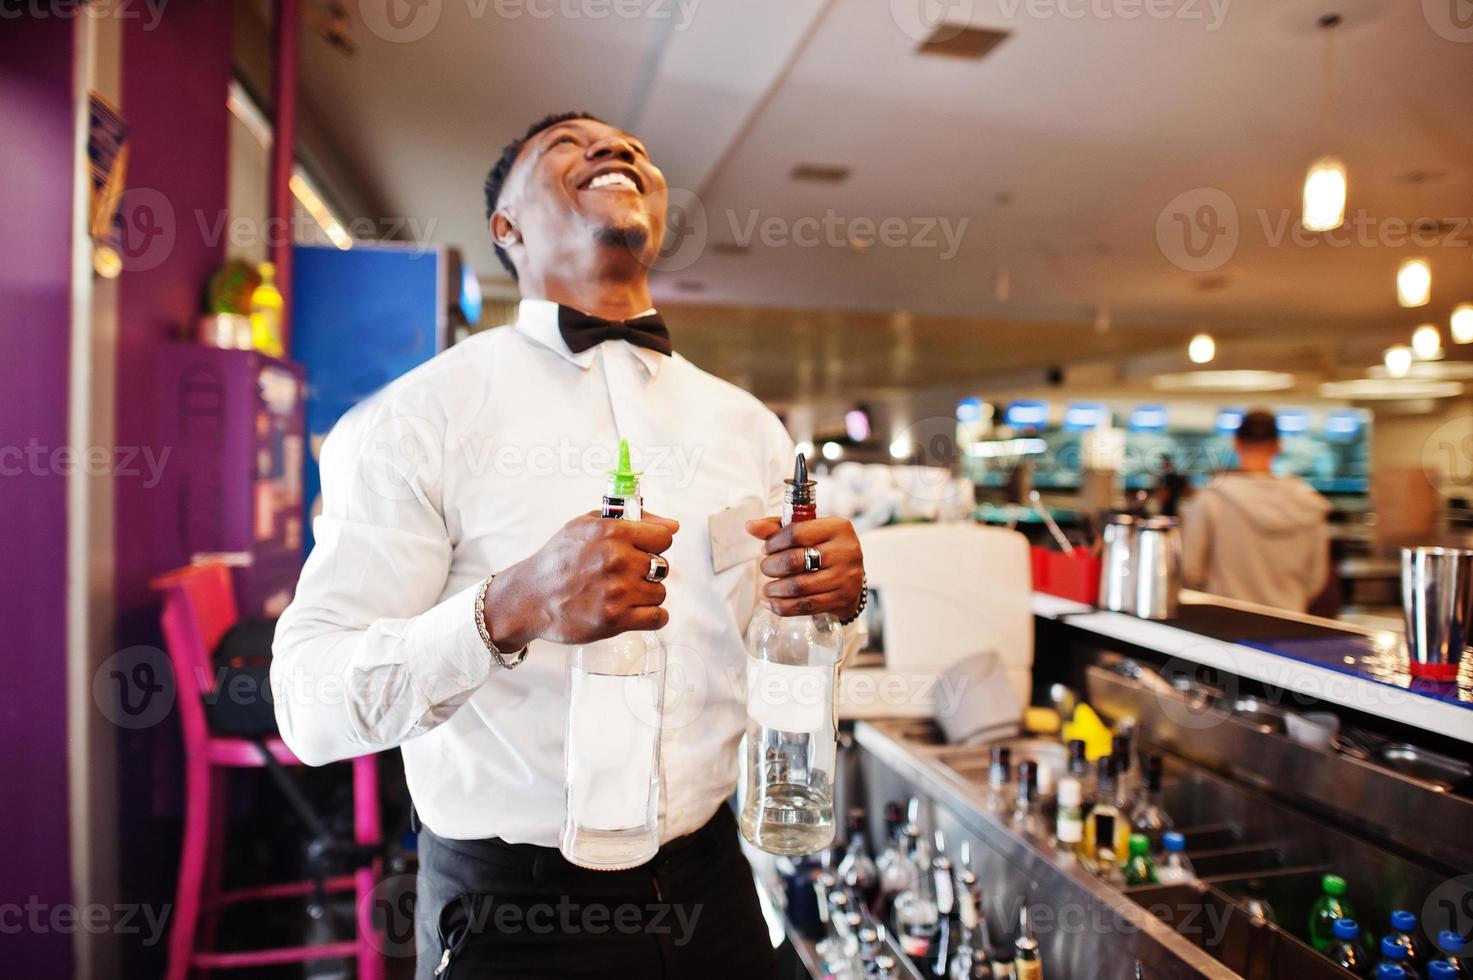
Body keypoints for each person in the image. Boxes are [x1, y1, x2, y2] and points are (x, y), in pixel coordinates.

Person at [270, 111, 866, 978]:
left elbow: (792, 651)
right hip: (513, 917)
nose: (614, 151)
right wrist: (506, 608)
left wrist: (835, 603)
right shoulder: (416, 418)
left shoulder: (748, 428)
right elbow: (307, 704)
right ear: (503, 228)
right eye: (565, 146)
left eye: (633, 148)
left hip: (717, 895)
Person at [1180, 409, 1330, 612]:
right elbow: (1316, 578)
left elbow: (1191, 569)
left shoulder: (1212, 499)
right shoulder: (1307, 503)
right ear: (1278, 446)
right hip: (1289, 625)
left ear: (1236, 443)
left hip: (1226, 624)